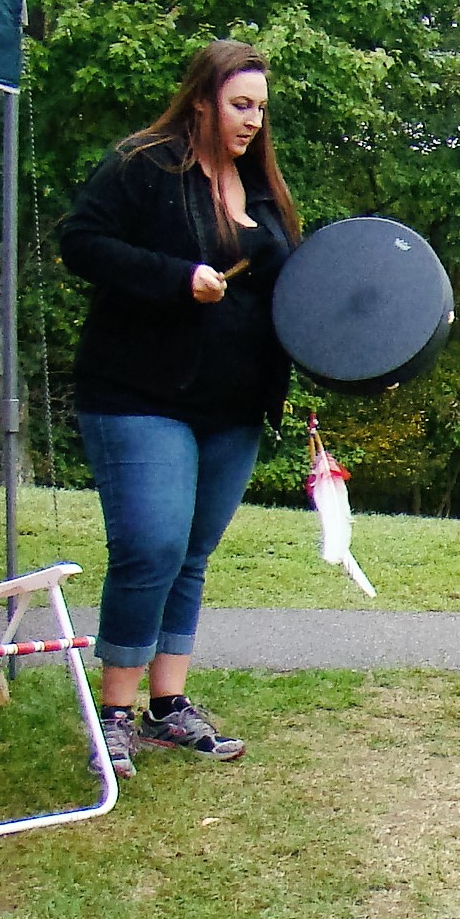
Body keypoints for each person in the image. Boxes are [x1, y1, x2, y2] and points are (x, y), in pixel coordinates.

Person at [60, 39, 300, 779]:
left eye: (260, 108)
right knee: (153, 546)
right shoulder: (144, 165)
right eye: (240, 105)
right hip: (138, 396)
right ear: (201, 99)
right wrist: (176, 277)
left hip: (233, 406)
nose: (253, 120)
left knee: (190, 555)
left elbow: (295, 297)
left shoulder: (261, 190)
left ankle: (167, 708)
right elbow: (80, 242)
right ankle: (114, 715)